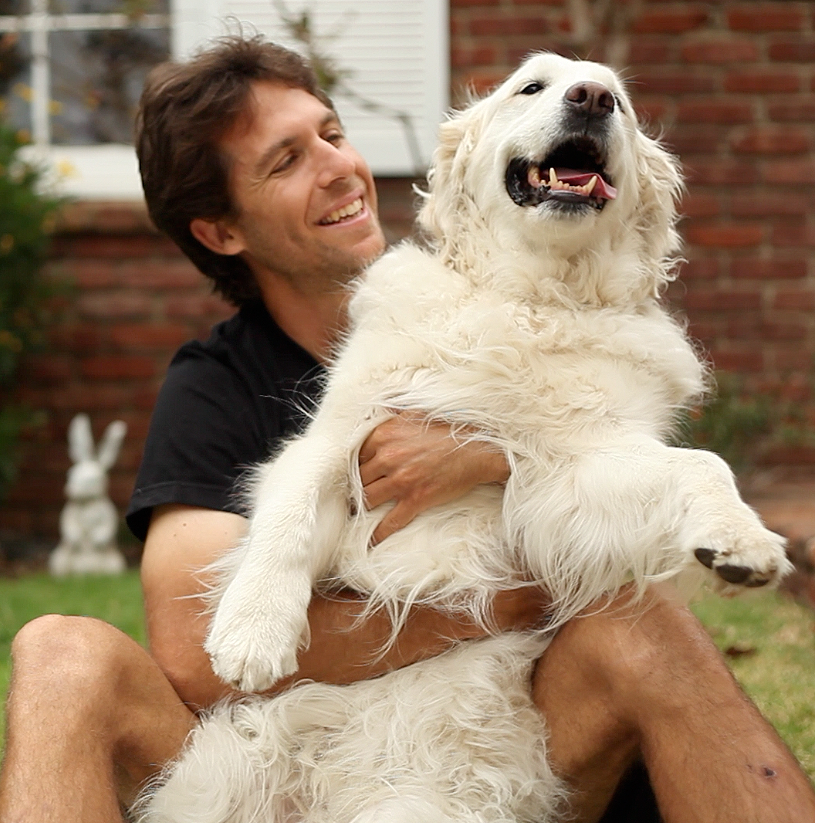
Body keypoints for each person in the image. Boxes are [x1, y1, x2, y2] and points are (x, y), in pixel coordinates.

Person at [2, 35, 814, 823]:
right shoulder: (218, 383)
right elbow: (190, 649)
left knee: (648, 623)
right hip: (285, 733)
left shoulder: (590, 332)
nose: (336, 168)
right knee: (56, 650)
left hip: (492, 728)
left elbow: (610, 515)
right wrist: (502, 591)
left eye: (331, 134)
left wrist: (493, 458)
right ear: (222, 231)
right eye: (285, 161)